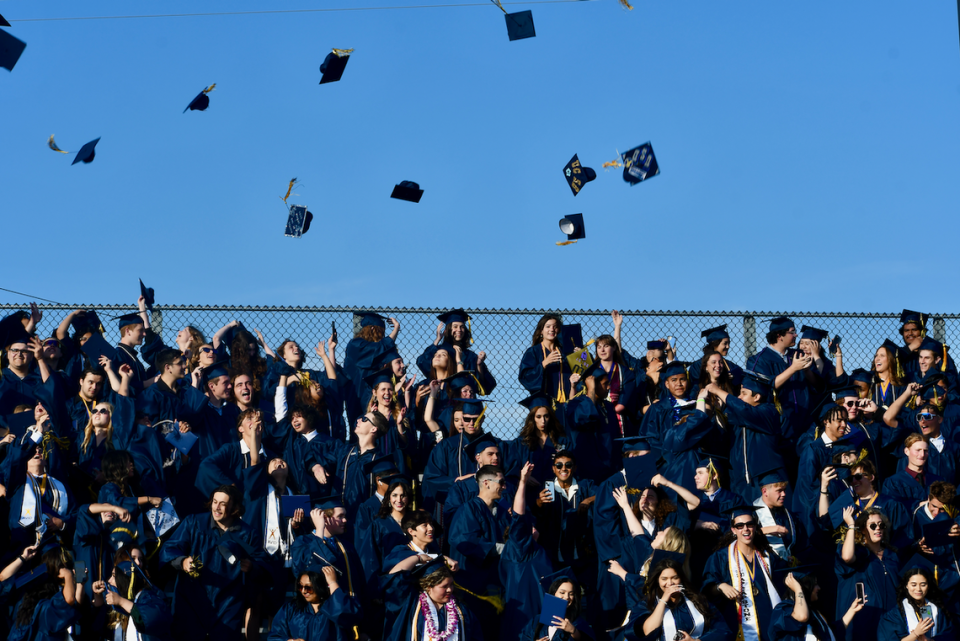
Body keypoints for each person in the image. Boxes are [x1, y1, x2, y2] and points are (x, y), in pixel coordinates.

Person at [159, 484, 267, 641]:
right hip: (192, 600)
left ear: (234, 507)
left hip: (228, 604)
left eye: (223, 504)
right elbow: (169, 548)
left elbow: (263, 564)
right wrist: (182, 562)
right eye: (215, 502)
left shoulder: (247, 534)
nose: (216, 507)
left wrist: (252, 567)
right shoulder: (194, 523)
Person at [703, 504, 787, 641]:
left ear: (755, 527)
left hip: (769, 622)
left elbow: (783, 583)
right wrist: (720, 586)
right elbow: (707, 590)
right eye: (740, 526)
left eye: (749, 524)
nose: (745, 529)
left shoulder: (768, 557)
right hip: (738, 624)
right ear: (733, 530)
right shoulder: (721, 557)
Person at [381, 556, 481, 641]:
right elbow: (395, 578)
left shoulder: (461, 610)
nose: (450, 590)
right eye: (444, 586)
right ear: (429, 586)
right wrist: (418, 558)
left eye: (451, 585)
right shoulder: (411, 604)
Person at [836, 507, 900, 638]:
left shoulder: (891, 555)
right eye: (872, 525)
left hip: (889, 620)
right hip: (864, 618)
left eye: (881, 525)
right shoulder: (859, 553)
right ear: (863, 530)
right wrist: (851, 525)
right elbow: (847, 557)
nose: (878, 528)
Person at [633, 556, 731, 641]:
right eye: (664, 579)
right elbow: (648, 631)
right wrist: (663, 600)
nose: (670, 583)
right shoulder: (647, 604)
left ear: (681, 579)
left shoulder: (697, 601)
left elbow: (722, 630)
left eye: (675, 578)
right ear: (657, 581)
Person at [91, 548, 174, 641]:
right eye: (133, 558)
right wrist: (98, 597)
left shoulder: (149, 596)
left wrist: (122, 602)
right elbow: (97, 627)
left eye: (141, 559)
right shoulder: (117, 598)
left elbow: (151, 619)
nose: (138, 563)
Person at [534, 449, 597, 568]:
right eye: (559, 465)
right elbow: (537, 513)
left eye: (568, 465)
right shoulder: (547, 489)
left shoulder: (585, 486)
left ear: (574, 468)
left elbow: (605, 494)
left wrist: (588, 500)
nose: (563, 469)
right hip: (554, 554)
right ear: (553, 468)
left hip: (582, 553)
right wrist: (539, 502)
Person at [768, 567, 865, 641]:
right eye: (814, 584)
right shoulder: (783, 609)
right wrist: (798, 589)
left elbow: (831, 633)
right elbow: (802, 616)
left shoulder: (814, 613)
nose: (819, 588)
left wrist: (852, 610)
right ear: (805, 586)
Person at [267, 567, 362, 641]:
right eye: (300, 586)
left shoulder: (334, 609)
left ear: (321, 587)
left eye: (309, 587)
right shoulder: (291, 609)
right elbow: (274, 636)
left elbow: (345, 615)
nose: (304, 591)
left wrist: (332, 583)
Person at [417, 309, 497, 395]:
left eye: (462, 327)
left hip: (464, 400)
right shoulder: (439, 351)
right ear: (448, 329)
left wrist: (479, 365)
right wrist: (437, 340)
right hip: (442, 397)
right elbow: (422, 362)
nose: (459, 330)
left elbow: (485, 386)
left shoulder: (470, 356)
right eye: (455, 326)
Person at [878, 562, 954, 641]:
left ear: (928, 586)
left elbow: (949, 636)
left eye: (923, 584)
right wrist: (916, 634)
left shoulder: (937, 611)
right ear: (906, 585)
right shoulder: (894, 615)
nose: (918, 589)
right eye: (913, 585)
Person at [520, 569, 595, 641]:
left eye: (571, 594)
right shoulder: (536, 621)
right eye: (562, 593)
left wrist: (573, 631)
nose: (567, 597)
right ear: (553, 594)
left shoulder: (578, 622)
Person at [883, 434, 943, 513]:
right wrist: (919, 505)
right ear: (906, 451)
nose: (922, 455)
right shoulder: (893, 482)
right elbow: (892, 510)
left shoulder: (937, 481)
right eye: (918, 450)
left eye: (925, 451)